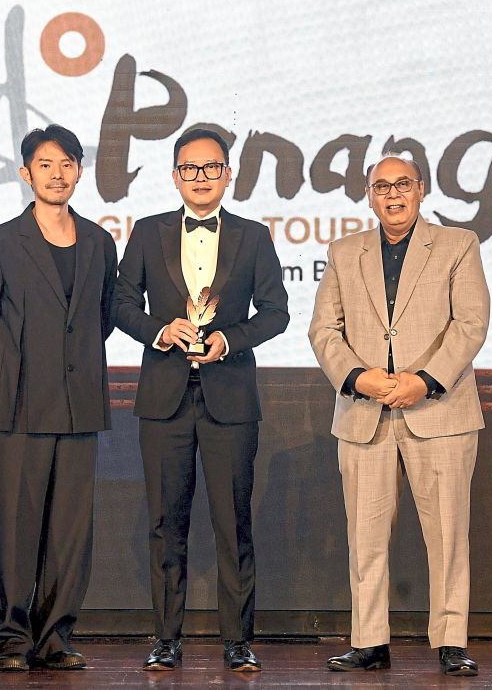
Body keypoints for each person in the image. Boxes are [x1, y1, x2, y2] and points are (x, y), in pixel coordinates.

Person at [113, 127, 290, 672]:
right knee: (166, 523)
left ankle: (237, 639)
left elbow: (276, 312)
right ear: (175, 176)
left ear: (228, 174)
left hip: (229, 398)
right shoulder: (147, 232)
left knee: (233, 522)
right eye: (190, 168)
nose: (201, 177)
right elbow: (120, 302)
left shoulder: (253, 236)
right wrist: (160, 331)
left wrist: (229, 340)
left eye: (211, 167)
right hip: (164, 399)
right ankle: (166, 638)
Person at [308, 155, 490, 678]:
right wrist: (357, 377)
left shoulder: (458, 244)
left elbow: (471, 323)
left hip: (440, 410)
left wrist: (424, 380)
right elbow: (324, 330)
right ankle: (369, 641)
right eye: (381, 186)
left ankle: (451, 640)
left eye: (402, 184)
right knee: (365, 539)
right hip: (365, 413)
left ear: (421, 190)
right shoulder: (345, 252)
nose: (393, 194)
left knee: (448, 535)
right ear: (369, 196)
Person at [0, 124, 117, 672]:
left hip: (79, 407)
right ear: (26, 173)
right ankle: (10, 638)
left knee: (70, 533)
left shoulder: (99, 242)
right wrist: (9, 376)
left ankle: (55, 638)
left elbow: (99, 321)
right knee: (16, 528)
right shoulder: (0, 243)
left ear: (80, 171)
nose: (57, 174)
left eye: (67, 164)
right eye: (46, 165)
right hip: (20, 407)